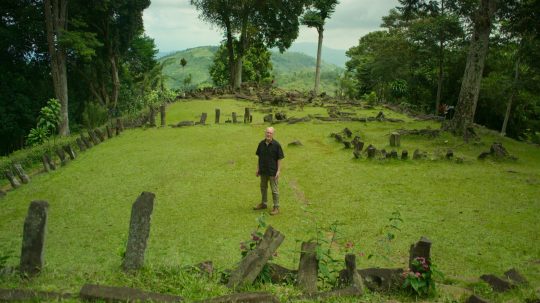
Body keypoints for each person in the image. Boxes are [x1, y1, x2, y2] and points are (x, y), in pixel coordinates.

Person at [253, 127, 284, 215]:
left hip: (273, 171)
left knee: (274, 190)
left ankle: (276, 207)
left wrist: (278, 170)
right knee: (263, 187)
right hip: (263, 171)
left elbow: (279, 159)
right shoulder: (261, 144)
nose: (268, 134)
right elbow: (259, 157)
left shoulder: (276, 145)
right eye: (267, 132)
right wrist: (257, 169)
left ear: (273, 134)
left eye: (270, 133)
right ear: (265, 133)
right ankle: (264, 203)